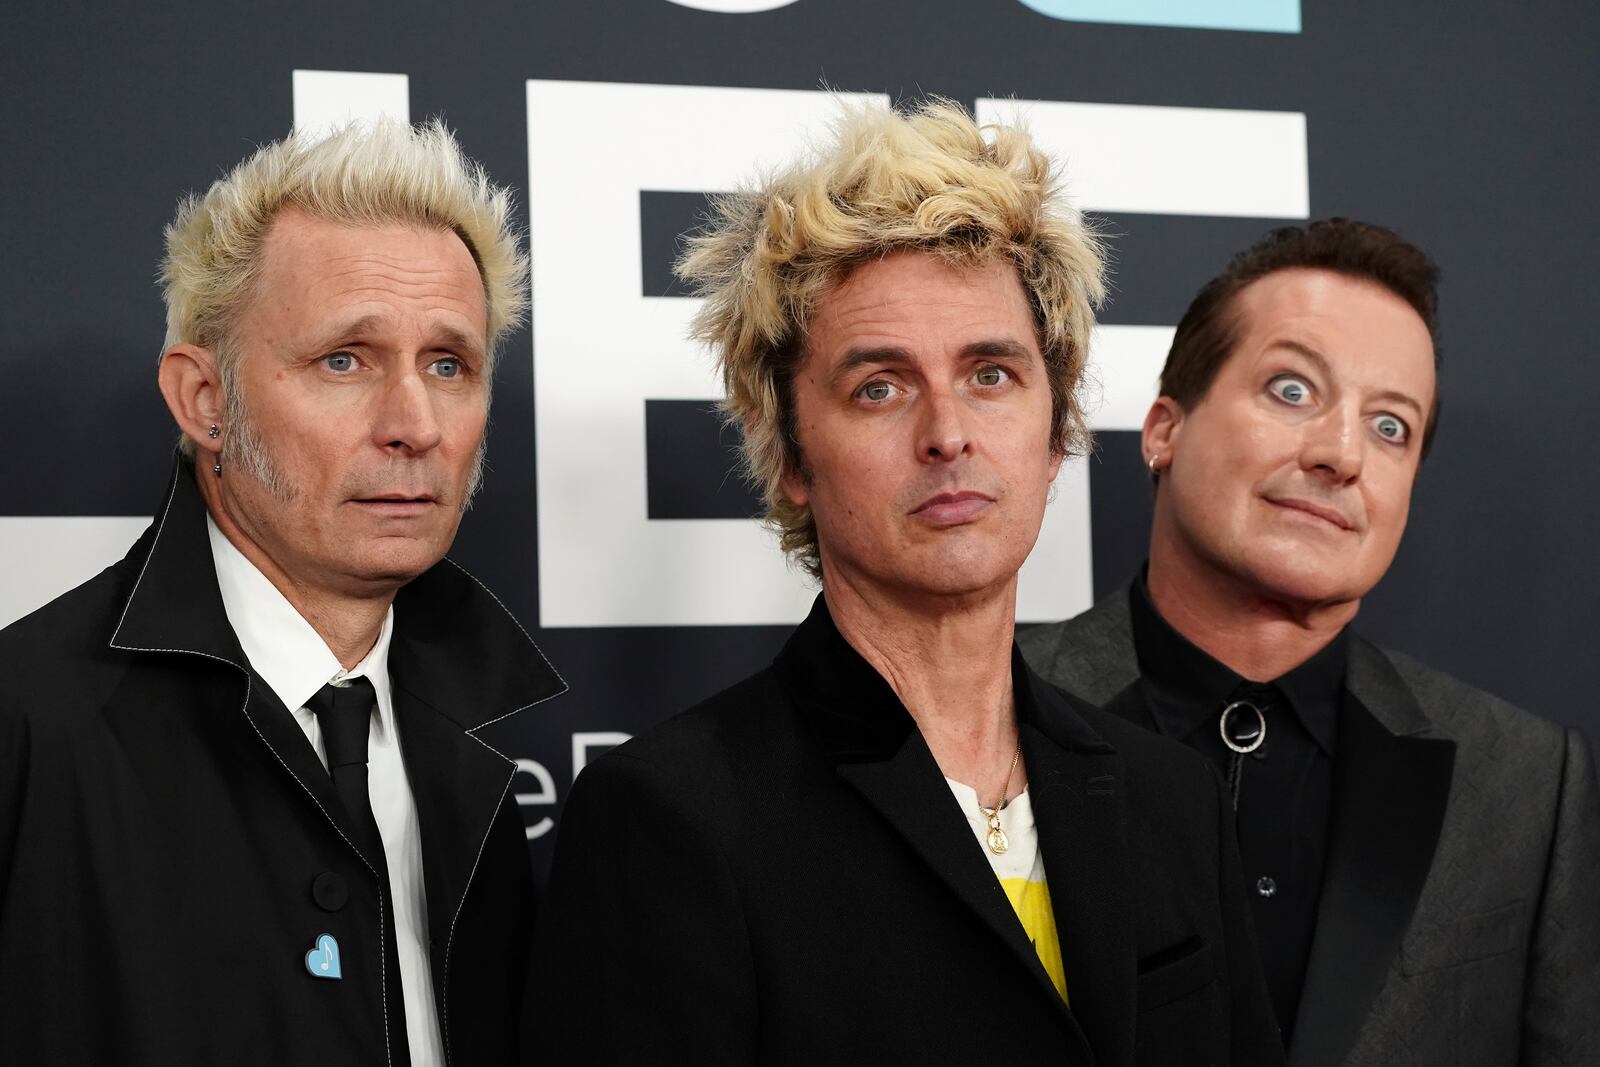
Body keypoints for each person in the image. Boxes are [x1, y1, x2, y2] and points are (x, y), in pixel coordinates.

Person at [531, 99, 1281, 1065]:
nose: (947, 432)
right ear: (791, 454)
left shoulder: (1170, 798)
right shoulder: (671, 818)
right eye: (878, 386)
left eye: (992, 374)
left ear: (1056, 435)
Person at [0, 120, 565, 1065]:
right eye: (344, 360)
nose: (414, 425)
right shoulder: (25, 729)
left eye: (448, 365)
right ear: (203, 400)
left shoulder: (482, 742)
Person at [1021, 218, 1600, 1065]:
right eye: (1292, 390)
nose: (1341, 454)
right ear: (1163, 431)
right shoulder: (989, 716)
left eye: (1390, 427)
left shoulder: (1526, 781)